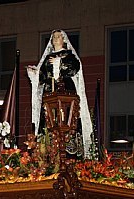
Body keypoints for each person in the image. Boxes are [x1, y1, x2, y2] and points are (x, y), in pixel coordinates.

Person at [27, 29, 94, 157]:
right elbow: (42, 76)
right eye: (54, 37)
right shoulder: (47, 58)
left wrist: (59, 63)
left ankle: (68, 151)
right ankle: (47, 150)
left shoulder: (69, 56)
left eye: (59, 36)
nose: (56, 39)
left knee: (66, 119)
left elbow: (74, 68)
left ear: (63, 39)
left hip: (65, 92)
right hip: (49, 94)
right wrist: (35, 74)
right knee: (48, 119)